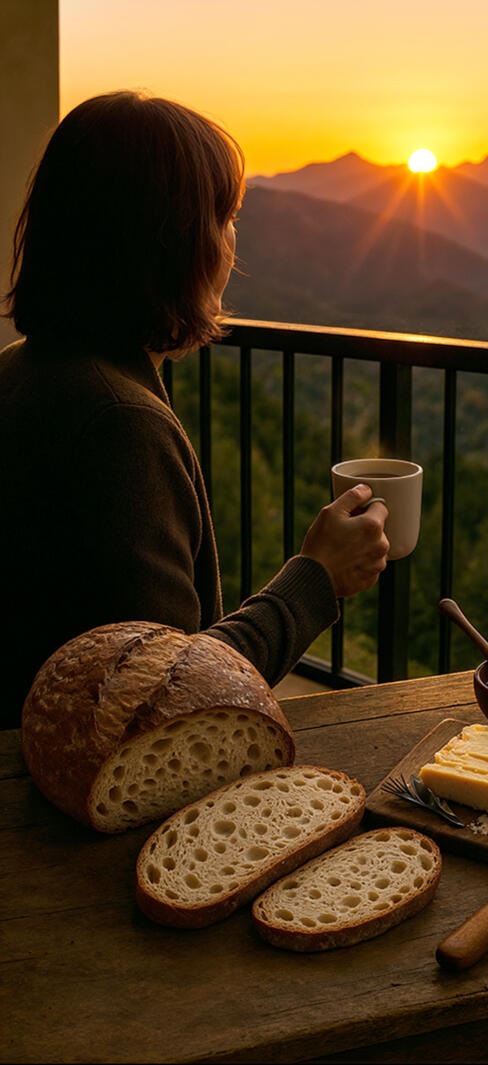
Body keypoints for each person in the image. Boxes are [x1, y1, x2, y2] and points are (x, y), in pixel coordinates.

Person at [0, 90, 389, 729]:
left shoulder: (22, 368)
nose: (233, 241)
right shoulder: (117, 424)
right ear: (172, 244)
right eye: (225, 217)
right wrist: (317, 577)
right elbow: (170, 701)